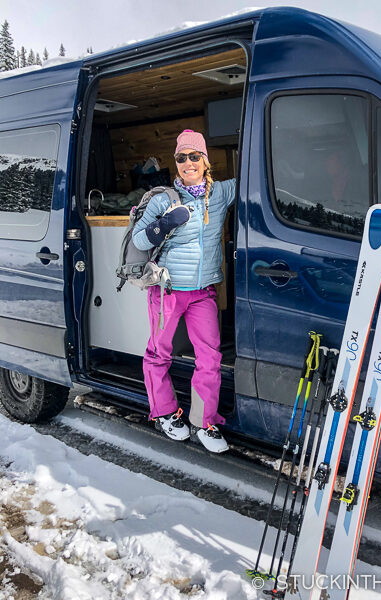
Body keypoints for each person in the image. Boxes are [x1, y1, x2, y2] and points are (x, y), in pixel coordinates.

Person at [132, 130, 235, 453]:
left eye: (194, 156)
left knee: (210, 357)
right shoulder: (163, 199)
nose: (188, 163)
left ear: (205, 161)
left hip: (203, 291)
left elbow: (256, 180)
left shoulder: (219, 194)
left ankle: (204, 421)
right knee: (159, 353)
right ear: (175, 163)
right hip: (168, 290)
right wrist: (163, 225)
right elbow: (138, 241)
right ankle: (163, 412)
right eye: (181, 157)